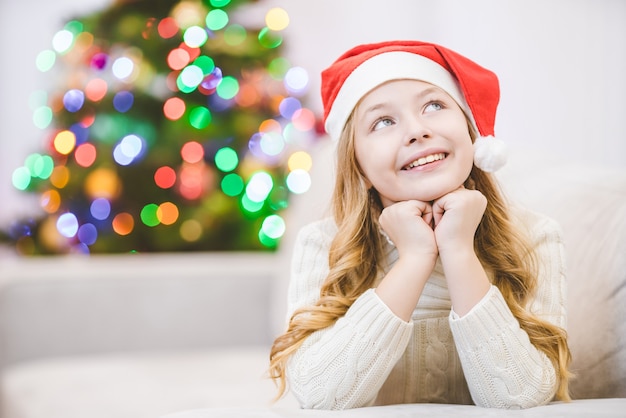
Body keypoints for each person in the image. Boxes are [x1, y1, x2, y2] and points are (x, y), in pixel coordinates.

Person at [269, 40, 572, 410]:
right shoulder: (322, 244)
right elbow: (319, 397)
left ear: (471, 132)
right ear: (359, 167)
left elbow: (520, 397)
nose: (416, 131)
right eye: (383, 122)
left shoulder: (535, 237)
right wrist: (414, 259)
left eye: (434, 105)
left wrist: (459, 251)